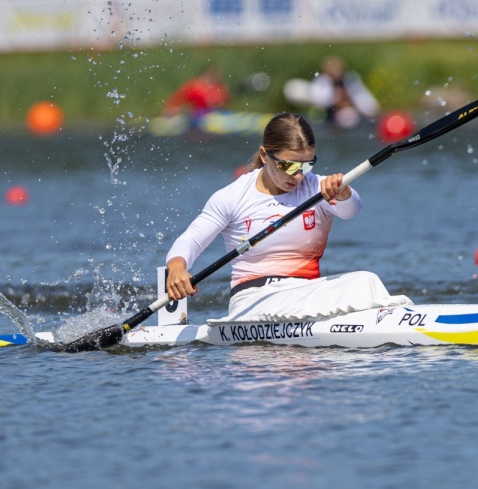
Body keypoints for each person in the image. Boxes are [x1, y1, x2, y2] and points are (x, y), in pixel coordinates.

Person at [165, 113, 411, 322]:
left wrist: (344, 192)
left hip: (307, 293)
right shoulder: (233, 197)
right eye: (289, 166)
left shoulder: (317, 187)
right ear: (264, 156)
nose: (298, 176)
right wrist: (176, 269)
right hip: (253, 301)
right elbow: (191, 240)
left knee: (365, 280)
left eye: (307, 165)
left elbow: (352, 210)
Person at [309, 56, 380, 129]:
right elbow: (317, 100)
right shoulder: (321, 82)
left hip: (351, 122)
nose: (335, 73)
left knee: (348, 115)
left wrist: (350, 100)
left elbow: (369, 105)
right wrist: (335, 98)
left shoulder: (351, 81)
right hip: (326, 121)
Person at [163, 64, 230, 117]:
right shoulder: (193, 86)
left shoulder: (219, 87)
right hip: (196, 115)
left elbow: (225, 102)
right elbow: (176, 103)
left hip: (212, 114)